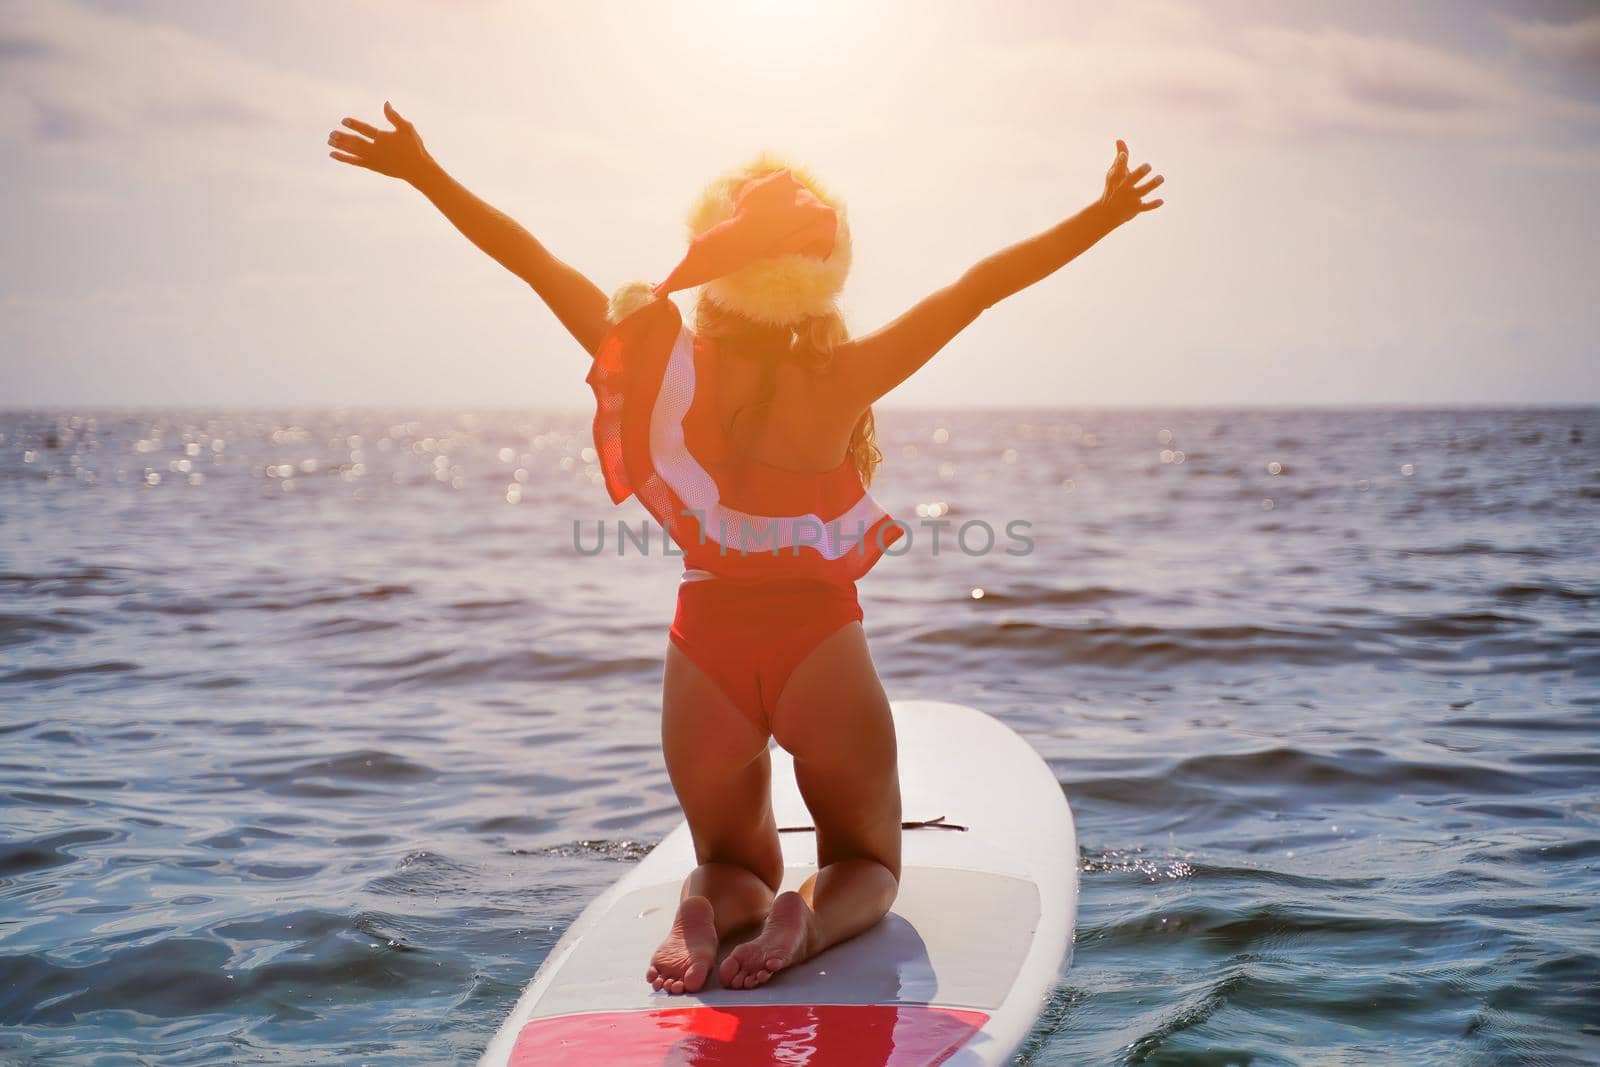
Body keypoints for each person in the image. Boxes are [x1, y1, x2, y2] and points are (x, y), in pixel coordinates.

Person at [327, 103, 1163, 995]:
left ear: (721, 264)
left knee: (731, 861)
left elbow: (534, 262)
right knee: (869, 861)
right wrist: (1102, 214)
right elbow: (980, 286)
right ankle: (809, 918)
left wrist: (424, 171)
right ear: (819, 275)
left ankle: (709, 905)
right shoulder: (844, 375)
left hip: (704, 655)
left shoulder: (663, 359)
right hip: (819, 646)